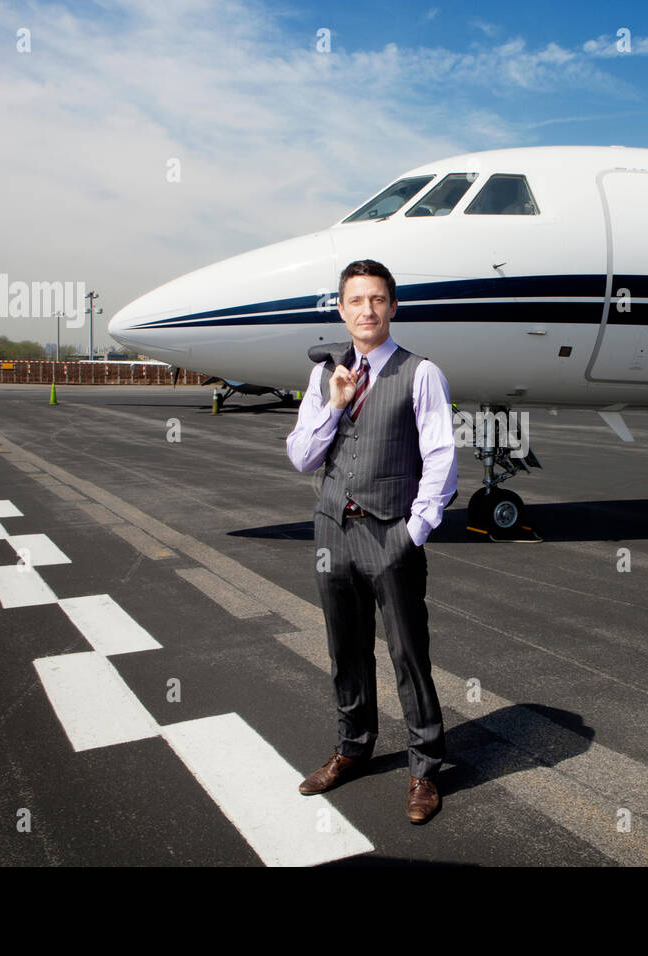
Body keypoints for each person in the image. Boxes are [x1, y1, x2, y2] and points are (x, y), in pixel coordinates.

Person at [285, 259, 458, 824]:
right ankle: (353, 748)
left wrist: (414, 530)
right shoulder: (323, 375)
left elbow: (440, 458)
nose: (367, 310)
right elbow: (302, 456)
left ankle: (425, 768)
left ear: (393, 307)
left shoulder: (420, 373)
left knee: (408, 653)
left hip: (390, 533)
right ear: (341, 309)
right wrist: (334, 406)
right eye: (356, 301)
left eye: (378, 299)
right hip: (332, 529)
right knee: (345, 650)